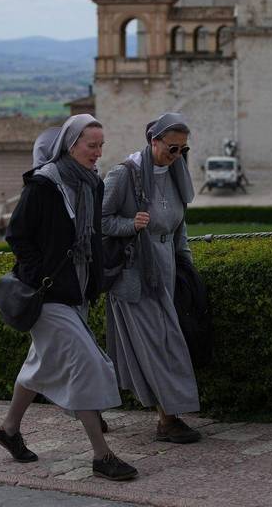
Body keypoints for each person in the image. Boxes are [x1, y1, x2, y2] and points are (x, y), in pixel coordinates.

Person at [0, 116, 137, 482]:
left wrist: (94, 280)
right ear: (71, 145)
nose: (98, 152)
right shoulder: (44, 184)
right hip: (47, 296)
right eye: (92, 145)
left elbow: (91, 238)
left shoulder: (92, 184)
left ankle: (9, 430)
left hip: (76, 291)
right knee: (87, 363)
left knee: (40, 364)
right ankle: (101, 455)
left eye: (101, 145)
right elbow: (17, 236)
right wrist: (39, 271)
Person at [100, 112, 202, 444]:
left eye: (183, 151)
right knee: (158, 344)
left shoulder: (175, 174)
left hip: (166, 274)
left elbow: (179, 228)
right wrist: (131, 225)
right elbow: (97, 222)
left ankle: (91, 405)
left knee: (158, 343)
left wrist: (187, 268)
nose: (177, 156)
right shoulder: (124, 175)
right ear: (153, 141)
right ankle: (167, 419)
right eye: (172, 149)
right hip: (134, 277)